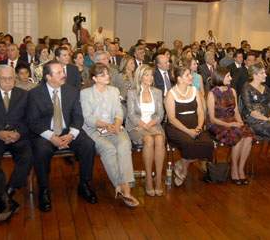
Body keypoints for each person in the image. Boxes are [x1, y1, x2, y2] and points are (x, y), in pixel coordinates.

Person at [27, 61, 97, 212]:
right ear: (48, 77)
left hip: (68, 131)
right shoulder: (34, 94)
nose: (63, 75)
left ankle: (84, 184)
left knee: (88, 145)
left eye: (62, 72)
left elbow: (78, 117)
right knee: (41, 150)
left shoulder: (71, 91)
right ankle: (44, 189)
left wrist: (71, 135)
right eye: (59, 73)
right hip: (46, 133)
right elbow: (33, 122)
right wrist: (52, 137)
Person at [80, 64, 139, 207]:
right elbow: (88, 118)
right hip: (94, 130)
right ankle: (121, 186)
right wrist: (105, 125)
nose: (107, 76)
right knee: (108, 148)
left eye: (107, 73)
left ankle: (124, 186)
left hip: (114, 127)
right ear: (94, 78)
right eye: (103, 75)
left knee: (124, 143)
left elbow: (119, 111)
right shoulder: (86, 93)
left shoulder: (114, 90)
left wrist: (117, 124)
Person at [0, 65, 33, 221]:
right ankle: (2, 195)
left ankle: (7, 192)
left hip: (18, 136)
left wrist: (18, 133)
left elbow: (29, 118)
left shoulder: (25, 95)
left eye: (11, 78)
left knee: (28, 156)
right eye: (4, 78)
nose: (8, 81)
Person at [164, 66, 214, 186]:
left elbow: (201, 112)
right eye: (187, 75)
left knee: (208, 143)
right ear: (179, 79)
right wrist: (188, 131)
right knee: (189, 143)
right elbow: (171, 119)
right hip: (177, 127)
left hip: (195, 124)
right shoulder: (170, 94)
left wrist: (199, 126)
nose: (191, 77)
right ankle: (184, 172)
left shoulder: (194, 91)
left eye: (191, 74)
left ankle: (181, 164)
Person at [206, 67, 253, 185]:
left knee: (248, 135)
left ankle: (240, 168)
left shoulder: (232, 91)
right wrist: (229, 124)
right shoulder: (212, 94)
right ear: (220, 77)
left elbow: (236, 111)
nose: (231, 78)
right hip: (217, 123)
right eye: (228, 76)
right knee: (237, 136)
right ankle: (234, 169)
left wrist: (240, 122)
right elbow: (212, 118)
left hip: (232, 121)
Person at [126, 65, 166, 196]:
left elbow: (160, 114)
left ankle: (158, 178)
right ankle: (149, 177)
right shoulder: (132, 93)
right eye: (146, 75)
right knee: (148, 140)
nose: (150, 77)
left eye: (151, 74)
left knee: (160, 139)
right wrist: (145, 126)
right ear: (140, 77)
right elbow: (131, 115)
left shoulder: (157, 92)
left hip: (154, 124)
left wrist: (150, 125)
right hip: (136, 126)